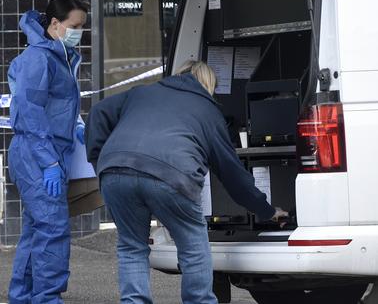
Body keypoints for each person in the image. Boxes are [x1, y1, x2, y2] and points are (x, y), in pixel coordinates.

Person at [85, 61, 289, 304]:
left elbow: (97, 112)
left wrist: (99, 162)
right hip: (171, 175)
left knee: (131, 247)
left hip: (115, 172)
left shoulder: (142, 92)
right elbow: (233, 175)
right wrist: (266, 210)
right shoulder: (208, 110)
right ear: (209, 84)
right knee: (193, 246)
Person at [7, 0, 88, 304]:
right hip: (38, 152)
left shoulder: (55, 56)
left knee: (37, 230)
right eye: (75, 25)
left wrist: (76, 127)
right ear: (55, 23)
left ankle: (24, 296)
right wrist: (49, 162)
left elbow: (53, 105)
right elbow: (29, 112)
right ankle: (46, 298)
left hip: (43, 150)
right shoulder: (39, 58)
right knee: (52, 229)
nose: (79, 32)